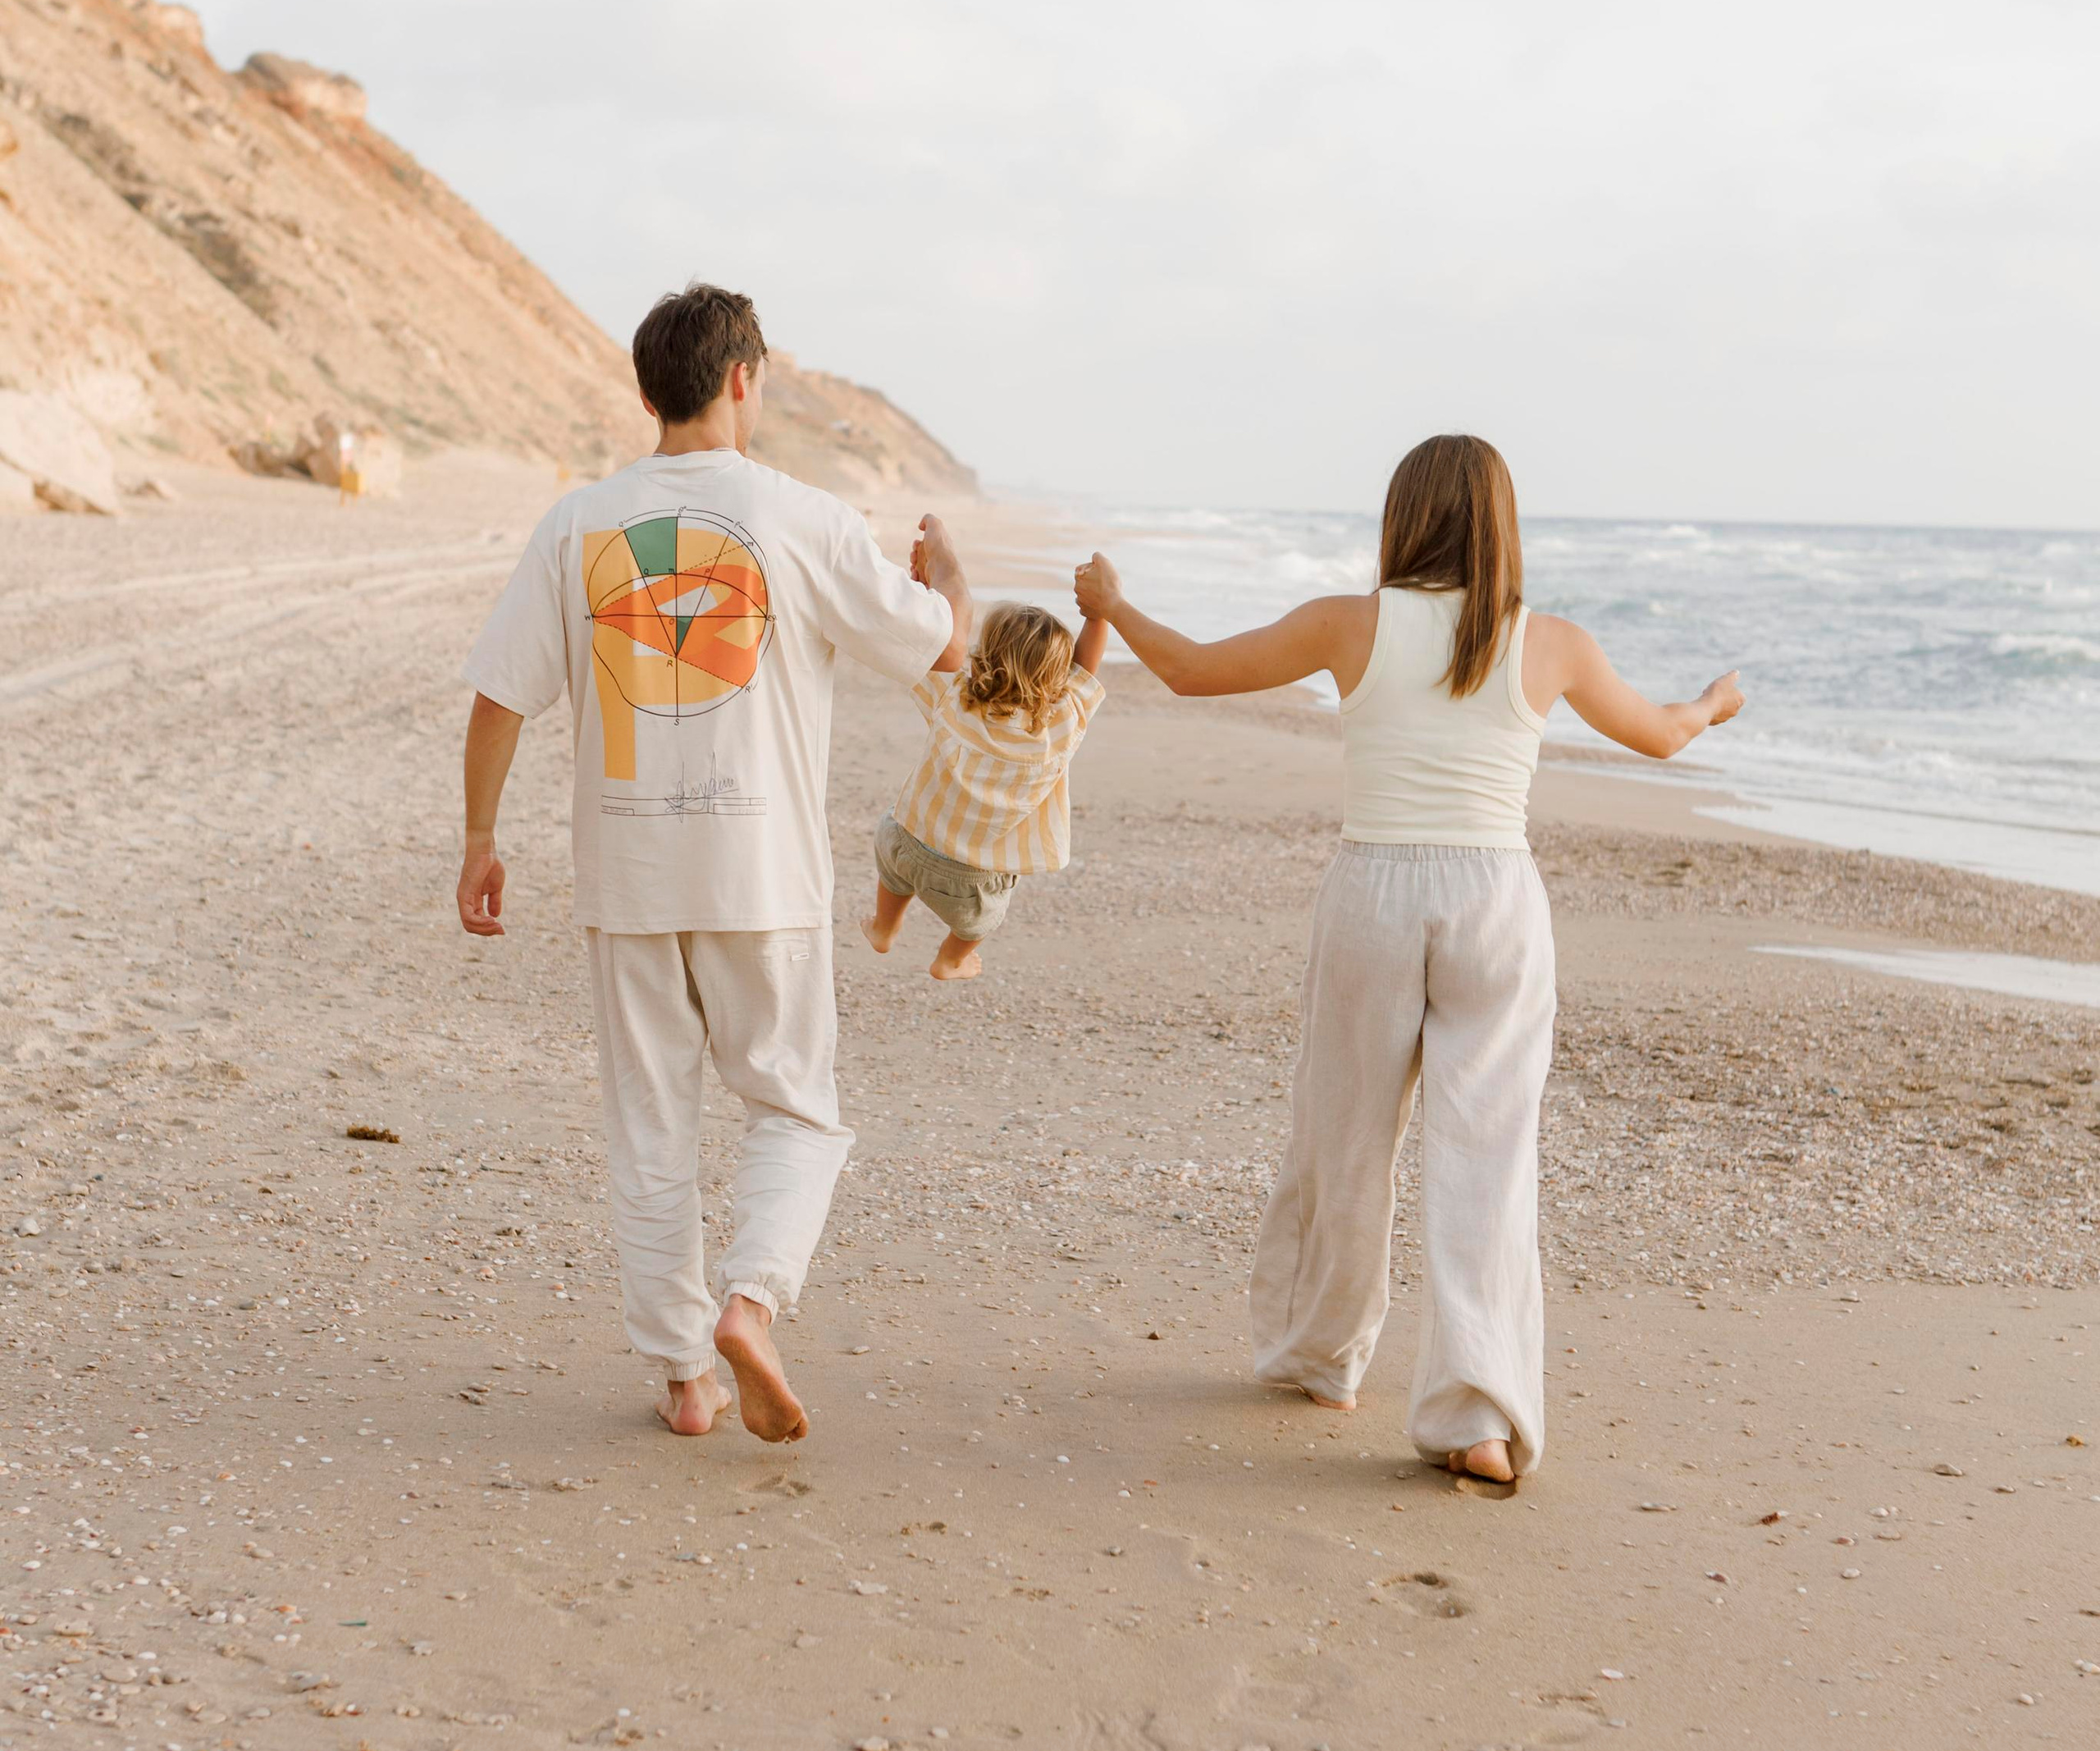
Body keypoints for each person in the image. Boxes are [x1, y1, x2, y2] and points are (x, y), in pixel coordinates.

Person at [1074, 434, 1741, 1484]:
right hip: (1494, 901)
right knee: (1486, 1160)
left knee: (1343, 1132)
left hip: (1376, 893)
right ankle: (1476, 1415)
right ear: (1502, 526)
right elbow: (1661, 736)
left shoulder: (1352, 624)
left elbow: (1192, 671)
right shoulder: (1548, 642)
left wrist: (1109, 604)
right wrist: (1711, 702)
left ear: (1404, 517)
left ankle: (1320, 1359)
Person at [455, 283, 972, 1447]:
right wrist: (948, 571)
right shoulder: (807, 518)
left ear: (648, 392)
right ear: (746, 378)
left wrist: (481, 842)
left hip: (629, 875)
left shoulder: (576, 524)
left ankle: (688, 1379)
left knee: (651, 1124)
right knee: (796, 1109)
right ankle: (751, 1300)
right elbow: (944, 649)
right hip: (762, 875)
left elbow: (500, 696)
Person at [861, 599, 1109, 981]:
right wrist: (1098, 611)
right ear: (1057, 674)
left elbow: (932, 640)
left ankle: (884, 927)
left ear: (987, 650)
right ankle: (950, 959)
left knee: (894, 869)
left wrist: (927, 584)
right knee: (978, 922)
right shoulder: (1060, 725)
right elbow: (1086, 671)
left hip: (904, 843)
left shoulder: (954, 696)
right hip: (970, 884)